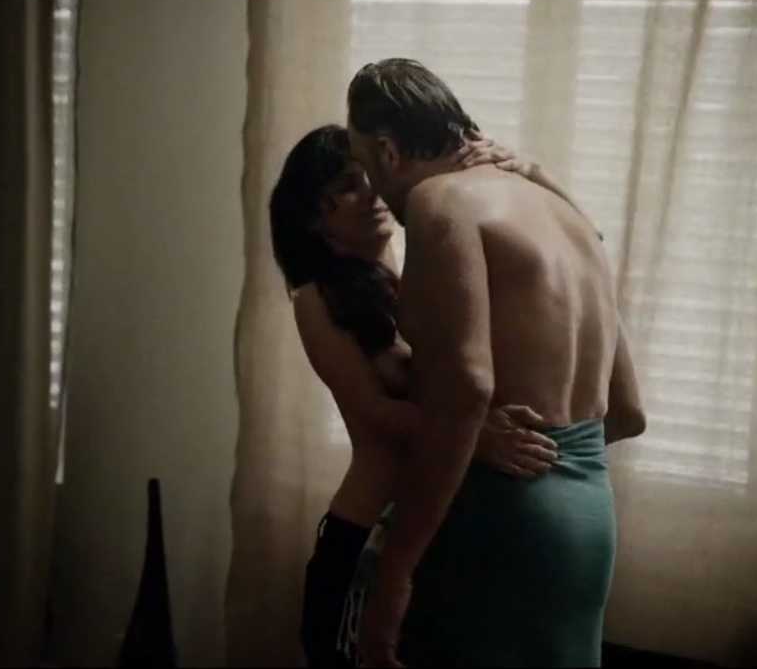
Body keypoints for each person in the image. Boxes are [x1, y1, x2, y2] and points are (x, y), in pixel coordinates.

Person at [342, 58, 647, 668]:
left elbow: (466, 392)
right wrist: (558, 466)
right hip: (589, 524)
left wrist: (395, 573)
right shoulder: (567, 219)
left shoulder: (439, 201)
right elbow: (627, 412)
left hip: (500, 517)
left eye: (365, 165)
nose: (372, 187)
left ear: (388, 152)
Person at [267, 123, 586, 669]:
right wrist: (474, 435)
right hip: (364, 534)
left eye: (371, 176)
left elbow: (579, 255)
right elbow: (376, 411)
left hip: (432, 536)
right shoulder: (315, 298)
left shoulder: (419, 273)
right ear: (314, 217)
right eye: (346, 186)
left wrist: (534, 174)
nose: (370, 192)